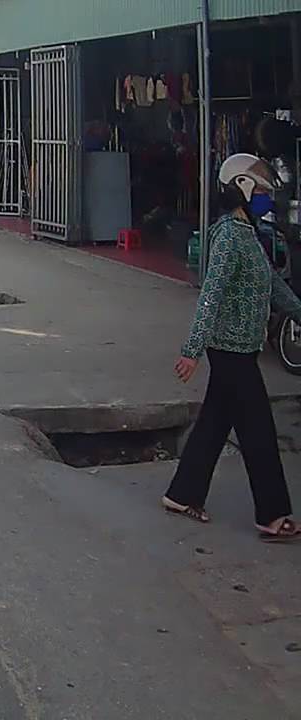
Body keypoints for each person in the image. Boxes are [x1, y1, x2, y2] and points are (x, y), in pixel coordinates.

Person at [165, 153, 301, 542]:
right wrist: (192, 349)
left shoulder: (247, 233)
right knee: (258, 430)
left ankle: (181, 495)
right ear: (241, 188)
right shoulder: (227, 236)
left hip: (242, 347)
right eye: (260, 190)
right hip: (230, 350)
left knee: (214, 423)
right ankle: (272, 516)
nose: (265, 196)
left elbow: (274, 286)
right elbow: (211, 295)